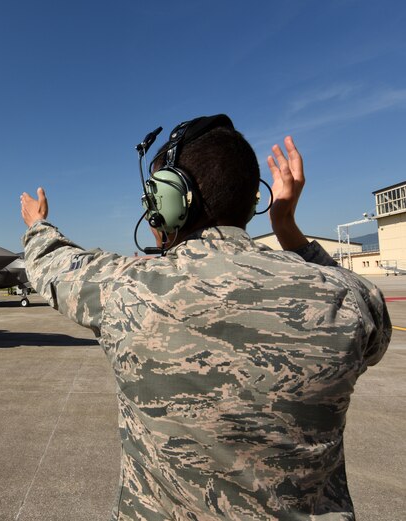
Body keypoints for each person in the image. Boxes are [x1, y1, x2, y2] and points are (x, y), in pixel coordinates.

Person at [19, 115, 390, 520]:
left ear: (168, 202)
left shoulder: (126, 289)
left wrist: (38, 225)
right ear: (251, 200)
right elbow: (373, 326)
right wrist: (286, 226)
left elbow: (53, 264)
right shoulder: (346, 298)